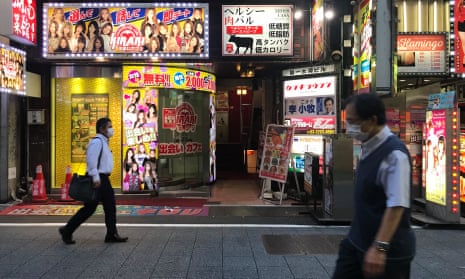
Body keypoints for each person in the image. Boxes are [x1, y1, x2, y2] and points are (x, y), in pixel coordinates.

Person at [332, 93, 415, 279]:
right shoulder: (368, 145)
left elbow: (397, 204)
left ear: (372, 120)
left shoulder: (394, 155)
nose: (348, 128)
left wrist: (380, 247)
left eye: (353, 121)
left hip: (388, 253)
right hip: (357, 241)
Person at [59, 118, 128, 244]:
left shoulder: (103, 142)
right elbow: (91, 161)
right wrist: (96, 177)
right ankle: (68, 230)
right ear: (102, 129)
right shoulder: (97, 142)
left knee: (99, 207)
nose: (112, 129)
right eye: (110, 126)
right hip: (98, 178)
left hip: (102, 178)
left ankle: (110, 233)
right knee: (100, 207)